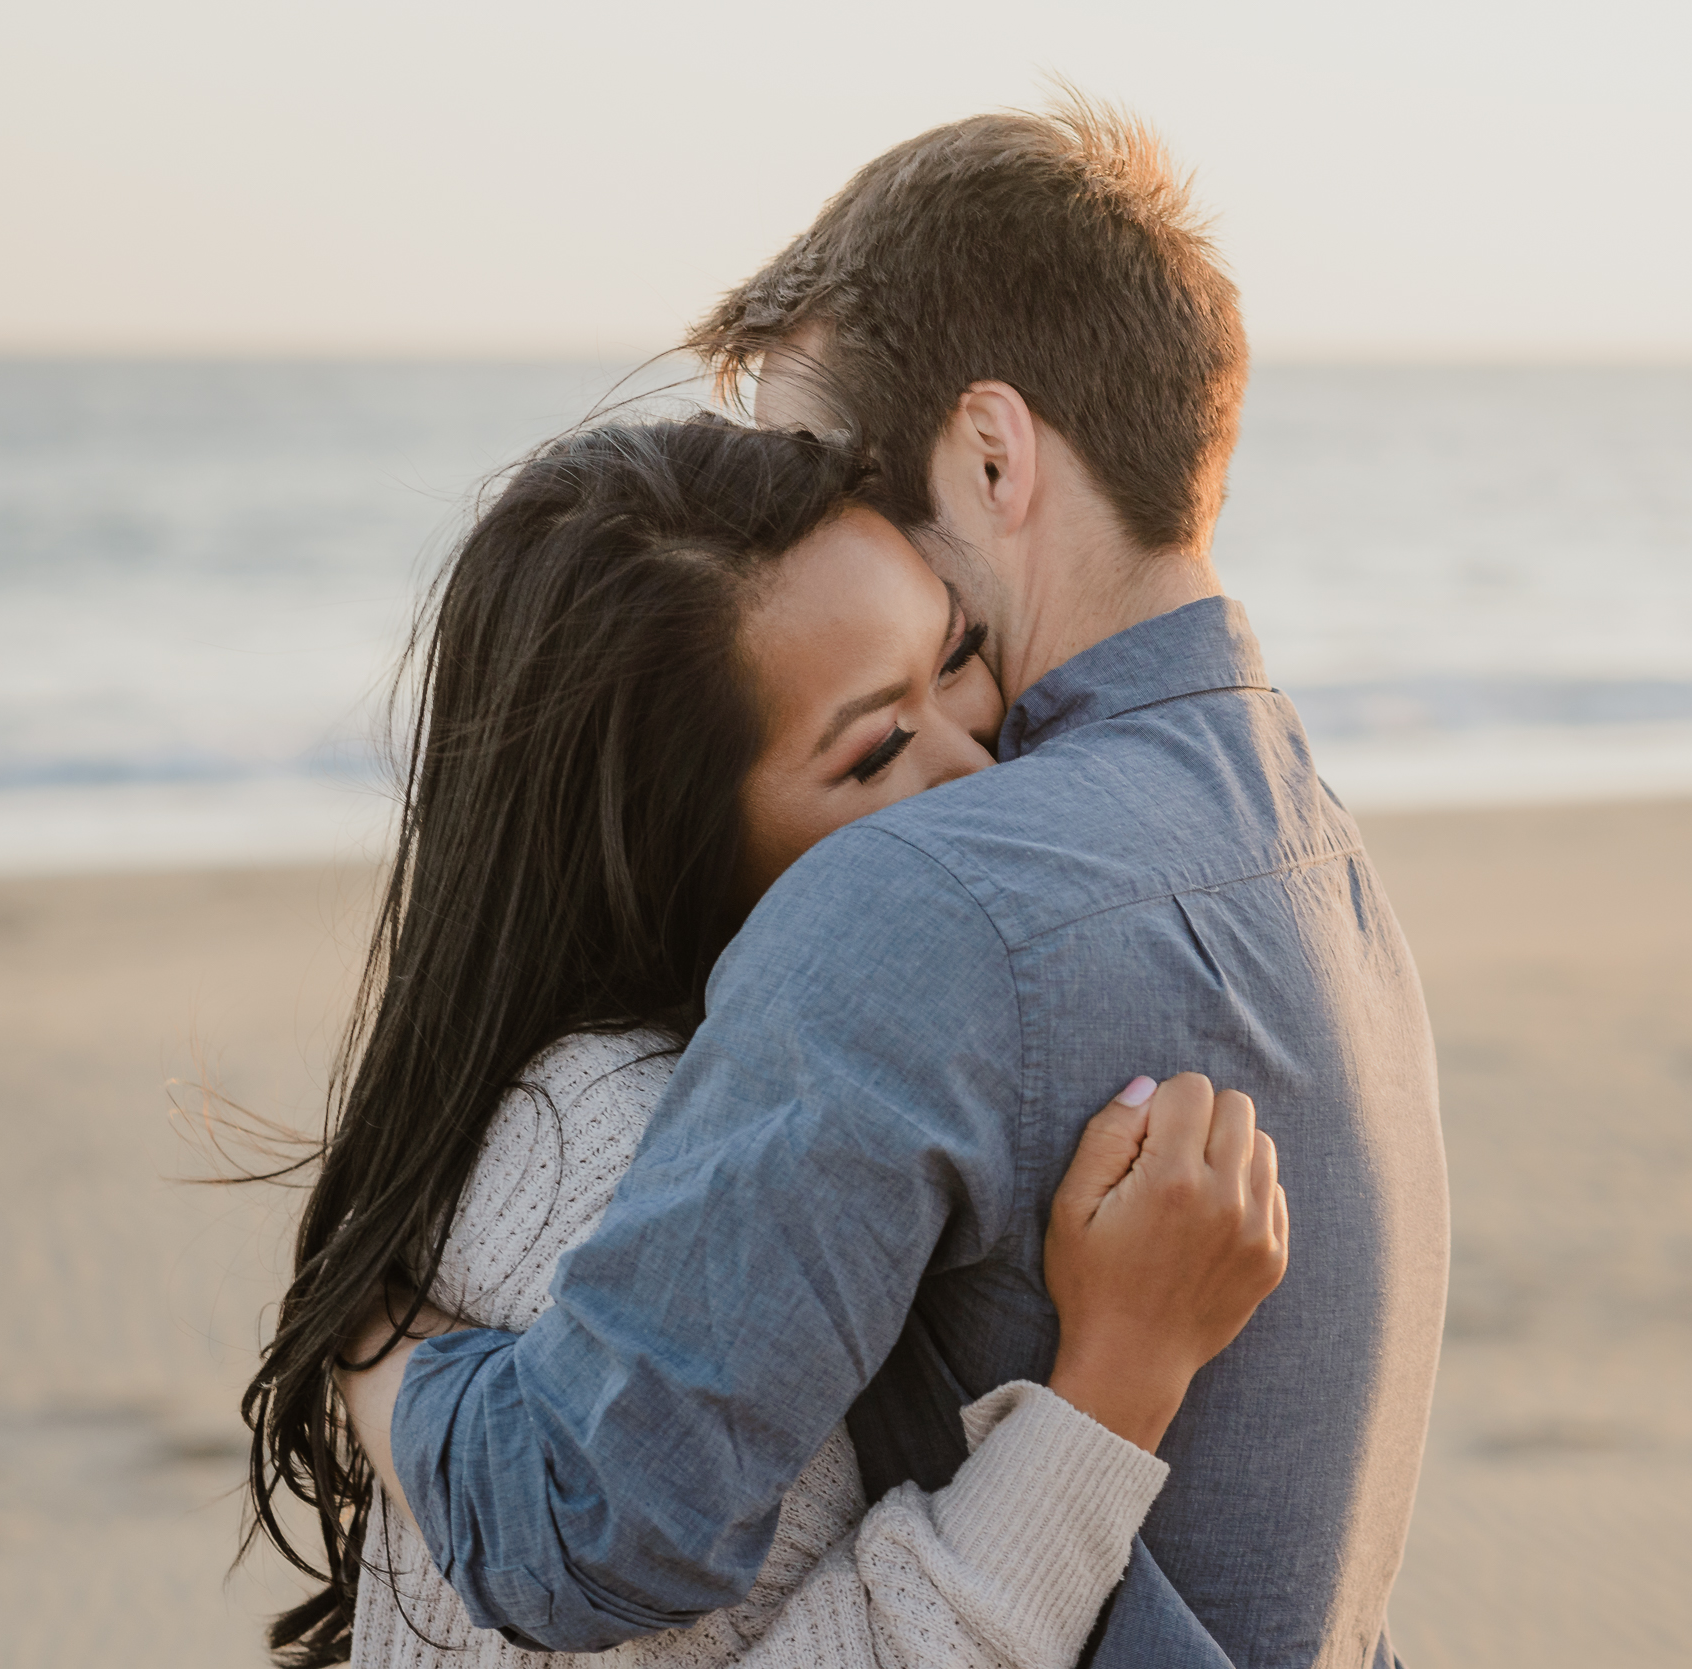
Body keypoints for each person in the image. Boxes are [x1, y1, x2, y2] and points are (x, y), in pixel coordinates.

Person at [353, 97, 1450, 1668]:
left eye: (828, 464)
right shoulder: (1323, 856)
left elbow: (597, 1523)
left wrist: (373, 1353)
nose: (810, 518)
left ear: (994, 453)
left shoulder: (917, 903)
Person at [243, 416, 1289, 1668]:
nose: (979, 765)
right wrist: (1114, 1387)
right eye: (877, 749)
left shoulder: (611, 1096)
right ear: (661, 845)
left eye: (955, 659)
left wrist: (387, 1376)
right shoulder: (617, 1145)